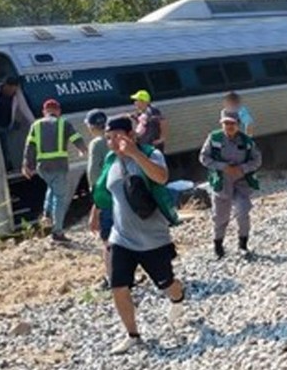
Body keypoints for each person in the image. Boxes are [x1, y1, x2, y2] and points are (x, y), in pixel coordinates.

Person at [92, 116, 185, 354]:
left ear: (131, 135)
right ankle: (133, 335)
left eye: (117, 137)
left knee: (166, 283)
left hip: (153, 238)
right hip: (120, 237)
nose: (112, 142)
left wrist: (134, 154)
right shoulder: (110, 160)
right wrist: (95, 212)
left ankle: (178, 297)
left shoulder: (150, 154)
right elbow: (106, 190)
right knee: (118, 285)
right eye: (108, 138)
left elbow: (161, 178)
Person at [199, 109, 263, 259]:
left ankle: (243, 245)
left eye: (232, 123)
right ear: (221, 124)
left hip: (241, 182)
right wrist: (223, 167)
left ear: (238, 124)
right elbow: (203, 158)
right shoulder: (213, 138)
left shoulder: (247, 141)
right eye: (226, 123)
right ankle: (218, 246)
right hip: (222, 182)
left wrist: (242, 169)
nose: (229, 126)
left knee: (243, 212)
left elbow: (257, 160)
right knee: (220, 216)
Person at [22, 98, 87, 242]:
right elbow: (76, 137)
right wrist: (83, 149)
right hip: (59, 165)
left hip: (43, 167)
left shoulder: (36, 125)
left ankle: (47, 213)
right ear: (58, 111)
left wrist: (27, 165)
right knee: (60, 198)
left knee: (51, 187)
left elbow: (30, 146)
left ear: (44, 112)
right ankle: (57, 232)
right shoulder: (64, 123)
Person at [0, 76, 33, 170]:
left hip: (6, 125)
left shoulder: (17, 95)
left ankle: (7, 166)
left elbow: (25, 109)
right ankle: (2, 166)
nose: (11, 92)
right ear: (5, 85)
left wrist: (34, 123)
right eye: (10, 89)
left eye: (14, 89)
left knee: (5, 148)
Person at [84, 109, 112, 288]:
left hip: (106, 195)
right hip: (121, 193)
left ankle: (112, 278)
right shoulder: (115, 139)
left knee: (108, 238)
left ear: (91, 126)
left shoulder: (97, 143)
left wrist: (96, 203)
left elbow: (94, 174)